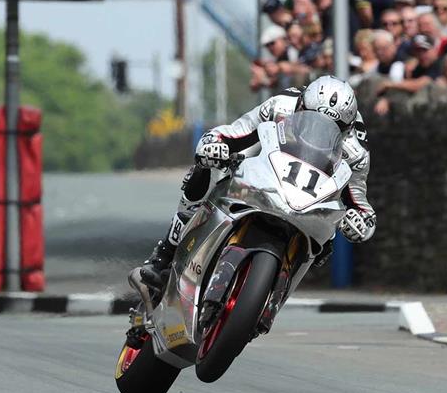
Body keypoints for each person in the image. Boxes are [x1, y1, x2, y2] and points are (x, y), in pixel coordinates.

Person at [137, 77, 377, 290]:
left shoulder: (355, 151)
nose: (317, 128)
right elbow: (236, 132)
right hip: (263, 168)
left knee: (327, 244)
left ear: (345, 129)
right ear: (302, 105)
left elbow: (358, 199)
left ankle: (272, 294)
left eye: (331, 128)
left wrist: (360, 221)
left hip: (310, 199)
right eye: (311, 117)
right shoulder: (281, 105)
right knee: (208, 169)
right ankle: (165, 253)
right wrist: (214, 144)